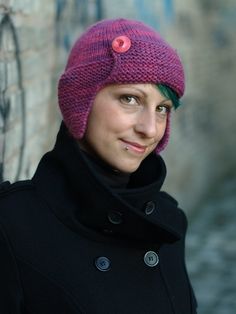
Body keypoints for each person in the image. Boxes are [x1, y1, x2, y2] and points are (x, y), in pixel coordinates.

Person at [0, 18, 197, 313]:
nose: (149, 128)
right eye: (129, 99)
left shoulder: (169, 222)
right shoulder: (13, 225)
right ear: (81, 100)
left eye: (161, 109)